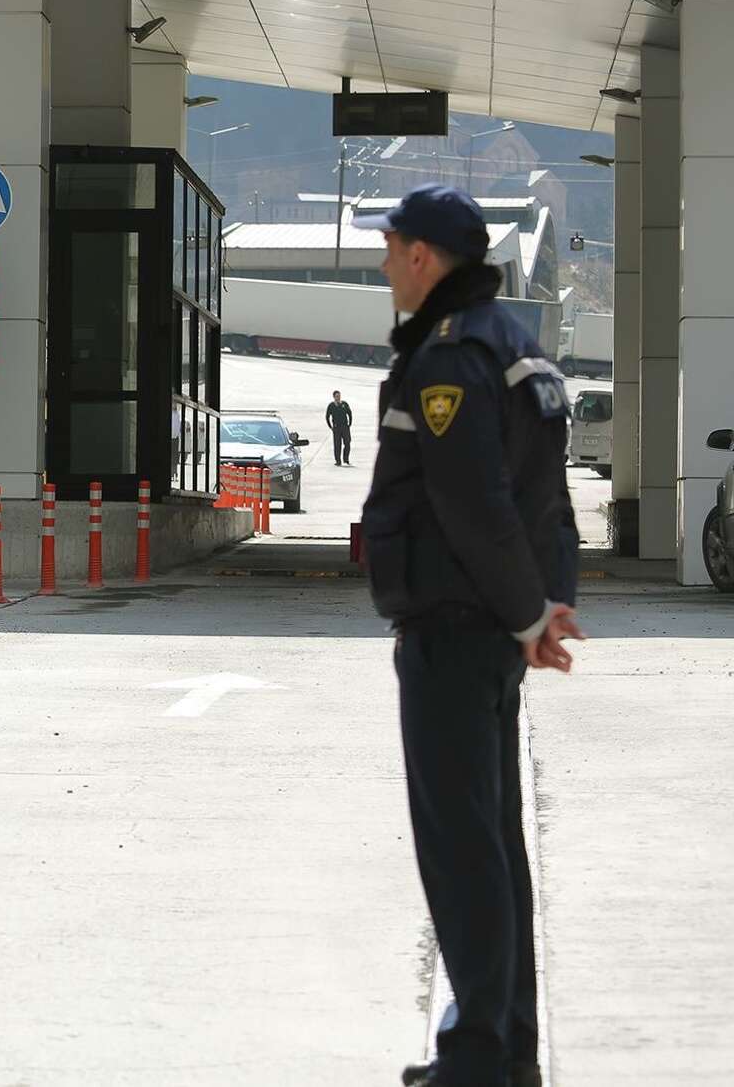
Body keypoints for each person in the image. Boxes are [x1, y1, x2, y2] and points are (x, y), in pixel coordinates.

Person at [355, 185, 581, 1087]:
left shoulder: (450, 359)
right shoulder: (517, 347)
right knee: (493, 846)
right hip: (489, 627)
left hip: (454, 629)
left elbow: (474, 501)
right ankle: (505, 1041)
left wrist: (531, 615)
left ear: (423, 256)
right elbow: (548, 504)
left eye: (391, 247)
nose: (382, 266)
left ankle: (480, 1053)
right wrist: (543, 606)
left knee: (462, 850)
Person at [327, 390, 356, 465]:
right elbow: (327, 416)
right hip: (336, 428)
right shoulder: (331, 405)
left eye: (339, 396)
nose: (338, 397)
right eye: (337, 396)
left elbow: (349, 413)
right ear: (334, 397)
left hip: (345, 427)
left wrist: (350, 423)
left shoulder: (344, 404)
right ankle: (338, 461)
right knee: (337, 445)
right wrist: (331, 426)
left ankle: (346, 459)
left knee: (347, 443)